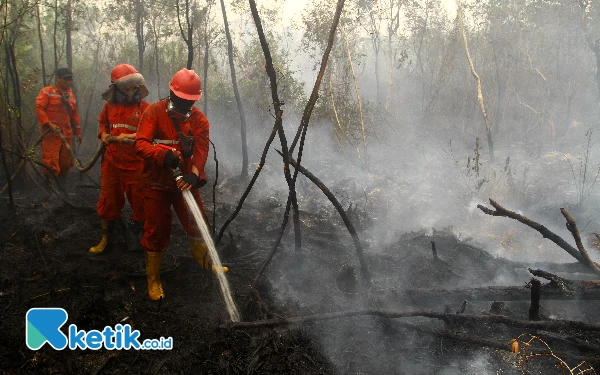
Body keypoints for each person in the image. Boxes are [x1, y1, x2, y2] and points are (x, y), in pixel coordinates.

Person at [135, 68, 228, 301]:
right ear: (171, 92)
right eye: (181, 99)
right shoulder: (153, 112)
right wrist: (162, 156)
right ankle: (153, 280)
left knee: (198, 223)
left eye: (190, 101)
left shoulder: (199, 120)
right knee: (156, 229)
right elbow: (140, 143)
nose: (185, 105)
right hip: (156, 183)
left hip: (184, 183)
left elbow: (201, 150)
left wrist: (195, 174)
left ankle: (204, 262)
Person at [89, 64, 150, 255]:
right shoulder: (109, 107)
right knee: (108, 201)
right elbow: (102, 123)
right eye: (126, 88)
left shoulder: (146, 109)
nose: (131, 92)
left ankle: (143, 240)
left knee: (140, 202)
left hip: (136, 166)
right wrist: (104, 134)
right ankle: (106, 239)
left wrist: (132, 138)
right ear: (115, 88)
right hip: (112, 163)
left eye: (134, 88)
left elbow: (150, 133)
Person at [35, 67, 82, 182]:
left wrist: (78, 132)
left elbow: (74, 114)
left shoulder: (70, 95)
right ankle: (50, 189)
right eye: (66, 79)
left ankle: (61, 188)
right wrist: (48, 124)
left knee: (65, 162)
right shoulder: (47, 92)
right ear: (58, 79)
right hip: (51, 135)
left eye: (70, 79)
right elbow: (39, 108)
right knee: (51, 162)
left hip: (66, 134)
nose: (69, 82)